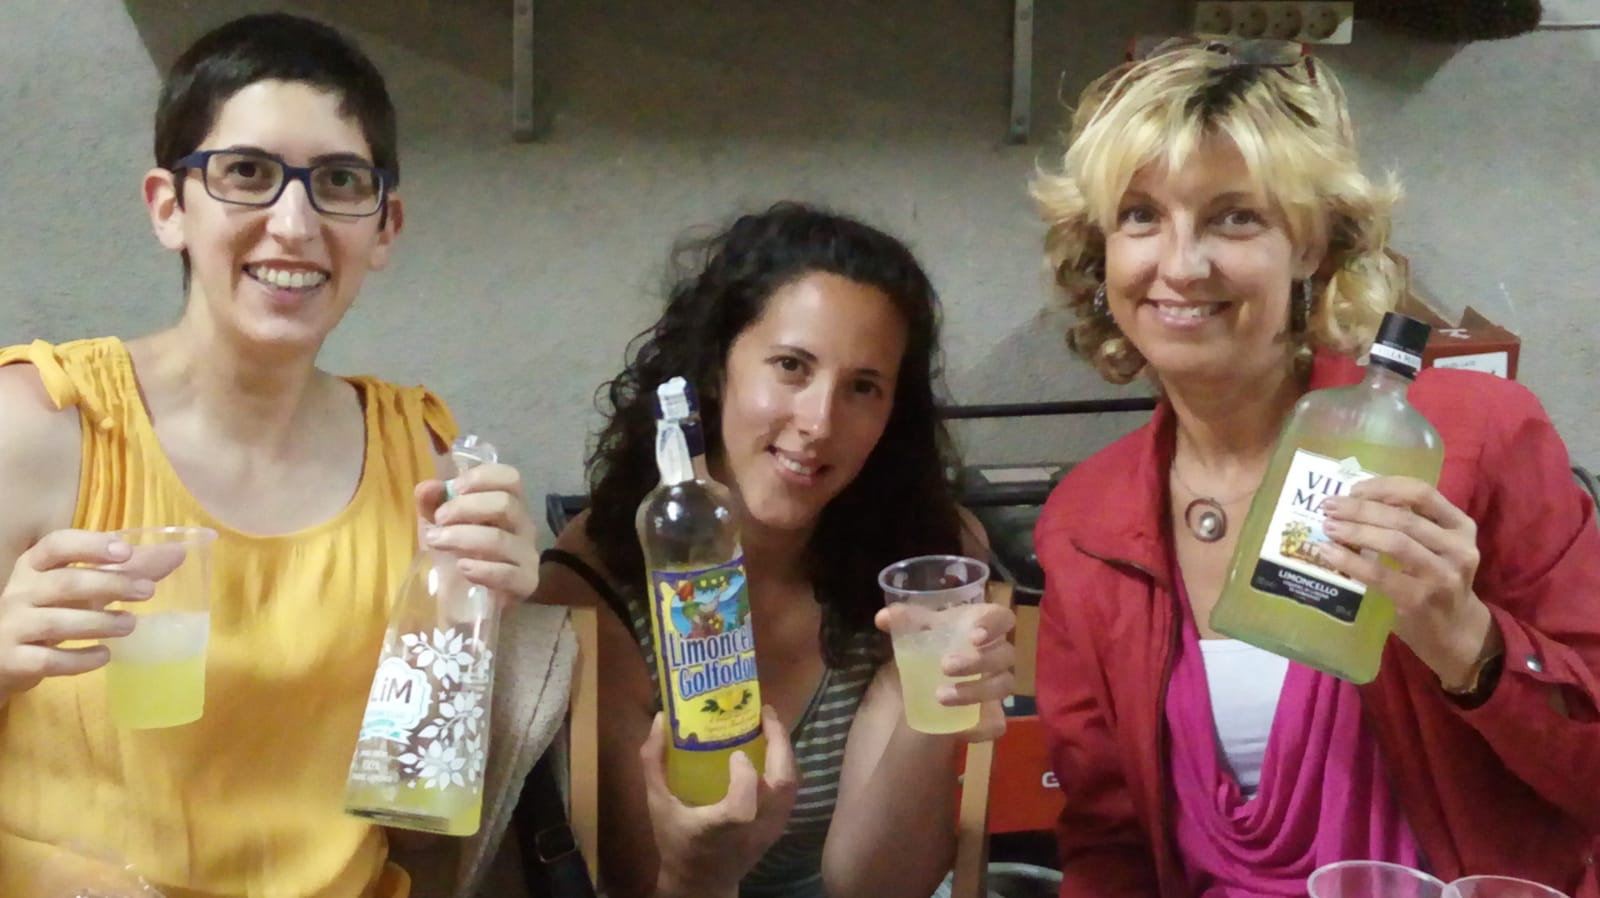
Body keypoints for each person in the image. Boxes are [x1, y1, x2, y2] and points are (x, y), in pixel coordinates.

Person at [0, 14, 572, 898]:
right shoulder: (40, 424)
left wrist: (474, 629)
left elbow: (416, 810)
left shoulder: (420, 458)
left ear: (384, 227)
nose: (295, 224)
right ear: (169, 206)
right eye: (246, 173)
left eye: (339, 181)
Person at [1029, 37, 1600, 898]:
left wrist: (1468, 645)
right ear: (1100, 249)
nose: (1180, 265)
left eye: (1234, 217)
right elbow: (1109, 844)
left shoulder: (1471, 442)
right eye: (1140, 216)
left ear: (1310, 245)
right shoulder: (1086, 523)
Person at [533, 202, 1017, 898]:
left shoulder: (920, 555)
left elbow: (875, 888)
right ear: (715, 367)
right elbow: (643, 882)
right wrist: (702, 866)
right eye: (791, 366)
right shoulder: (598, 580)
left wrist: (933, 707)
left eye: (863, 387)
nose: (819, 422)